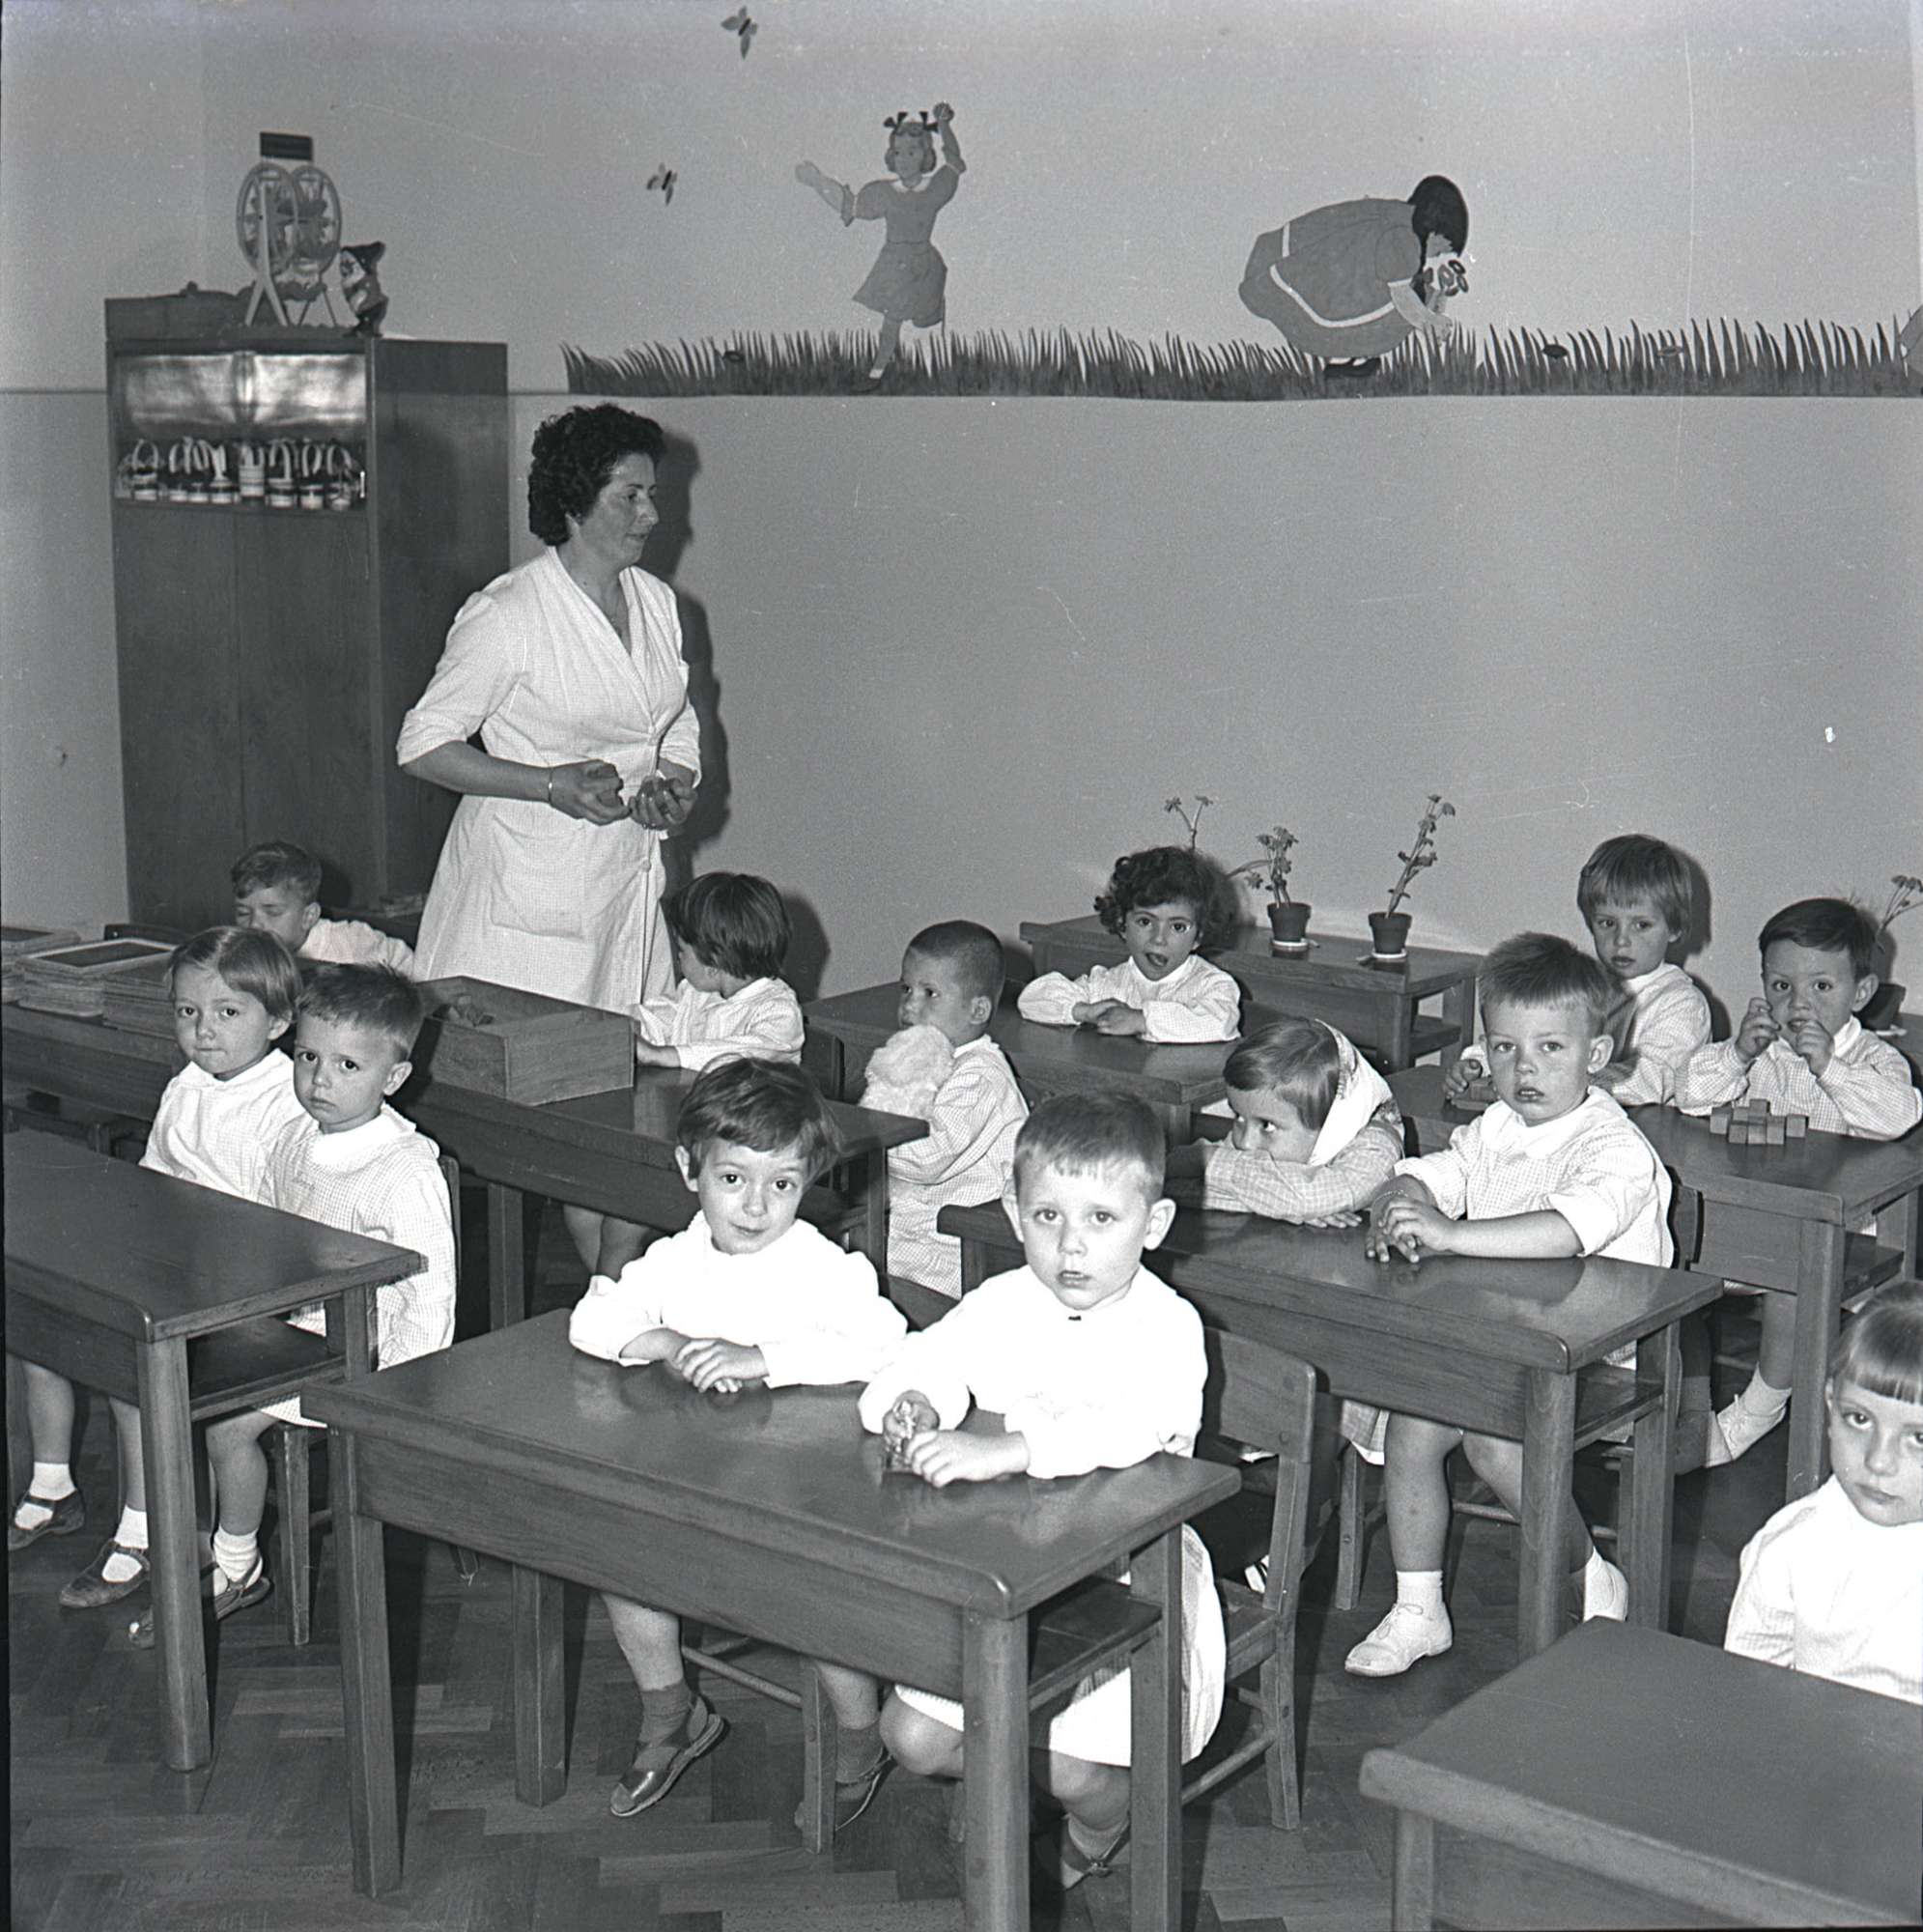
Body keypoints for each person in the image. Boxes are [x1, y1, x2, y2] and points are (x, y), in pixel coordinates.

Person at [859, 1094, 1222, 1892]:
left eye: (1101, 1219)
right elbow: (929, 1358)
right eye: (1047, 1216)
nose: (1070, 1246)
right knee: (911, 1737)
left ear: (1153, 1224)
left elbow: (1138, 1427)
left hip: (1128, 1579)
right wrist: (913, 1400)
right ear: (1012, 1213)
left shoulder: (1166, 1326)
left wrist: (1011, 1450)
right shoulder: (1001, 1302)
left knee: (1069, 1766)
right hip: (1003, 1562)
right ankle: (1009, 1775)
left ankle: (1103, 1822)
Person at [397, 403, 701, 1279]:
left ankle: (613, 1298)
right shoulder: (508, 613)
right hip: (523, 905)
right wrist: (547, 784)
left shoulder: (656, 604)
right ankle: (597, 1297)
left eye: (652, 494)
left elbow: (674, 725)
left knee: (618, 1110)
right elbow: (422, 744)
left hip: (620, 891)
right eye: (630, 495)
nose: (651, 513)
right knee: (554, 1120)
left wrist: (673, 786)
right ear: (575, 501)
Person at [569, 1059, 909, 1824]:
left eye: (781, 1184)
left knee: (805, 1593)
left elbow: (886, 1343)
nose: (756, 1206)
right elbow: (592, 1319)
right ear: (688, 1169)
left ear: (807, 1181)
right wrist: (663, 1341)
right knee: (620, 1556)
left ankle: (861, 1737)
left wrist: (763, 1359)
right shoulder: (674, 1258)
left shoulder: (821, 1267)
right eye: (732, 1179)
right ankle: (671, 1712)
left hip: (801, 1486)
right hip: (700, 1472)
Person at [1346, 933, 1672, 1678]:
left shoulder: (1614, 1147)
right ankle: (1417, 1610)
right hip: (1503, 1337)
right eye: (1503, 1048)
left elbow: (1564, 1233)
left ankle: (1588, 1572)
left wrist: (1450, 1236)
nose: (1523, 1070)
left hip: (1596, 1352)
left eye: (1550, 1048)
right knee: (1412, 1423)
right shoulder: (1496, 1126)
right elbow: (1442, 1170)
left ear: (1595, 1054)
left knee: (1493, 1443)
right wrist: (1403, 1194)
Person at [132, 965, 456, 1643]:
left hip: (369, 1356)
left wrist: (391, 1394)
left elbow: (431, 1304)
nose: (319, 1080)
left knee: (226, 1424)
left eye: (347, 1065)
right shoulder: (294, 1139)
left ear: (394, 1077)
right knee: (177, 1384)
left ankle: (237, 1566)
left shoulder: (405, 1171)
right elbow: (271, 1234)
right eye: (307, 1057)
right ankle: (187, 1543)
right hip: (296, 1329)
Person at [8, 928, 307, 1610]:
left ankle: (143, 1534)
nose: (204, 1031)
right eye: (187, 1012)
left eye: (227, 1012)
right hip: (176, 1269)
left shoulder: (284, 1102)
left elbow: (283, 1225)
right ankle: (54, 1485)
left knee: (131, 1372)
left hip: (251, 1293)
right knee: (43, 1327)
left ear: (279, 1021)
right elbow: (155, 1177)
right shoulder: (187, 1085)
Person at [1674, 898, 1922, 1465]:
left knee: (1791, 1278)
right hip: (1755, 1220)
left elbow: (1898, 1116)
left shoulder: (1875, 1060)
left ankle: (1759, 1409)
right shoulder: (1762, 1055)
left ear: (1860, 993)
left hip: (1844, 1235)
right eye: (1781, 986)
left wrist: (1830, 1067)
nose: (1798, 1005)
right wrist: (1737, 1054)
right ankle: (1683, 1410)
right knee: (1668, 1260)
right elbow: (1689, 1095)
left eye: (1821, 988)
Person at [1166, 1017, 1405, 1553]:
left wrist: (1210, 1164)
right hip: (1274, 1297)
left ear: (1331, 1123)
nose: (1245, 1142)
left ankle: (1293, 1549)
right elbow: (1168, 1185)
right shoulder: (1271, 1134)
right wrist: (1271, 1196)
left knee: (1309, 1419)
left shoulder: (1376, 1138)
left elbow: (1307, 1197)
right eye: (1237, 1120)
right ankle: (1213, 1530)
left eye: (1266, 1127)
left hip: (1347, 1334)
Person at [1723, 1280, 1923, 1705]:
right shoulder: (1793, 1546)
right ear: (1831, 1405)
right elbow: (1749, 1692)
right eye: (1859, 1419)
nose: (1879, 1461)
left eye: (1919, 1438)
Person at [1447, 833, 1710, 1108]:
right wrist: (1478, 1065)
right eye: (1607, 923)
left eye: (1641, 925)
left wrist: (1563, 1080)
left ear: (1674, 928)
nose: (1621, 940)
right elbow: (1528, 1035)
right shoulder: (1580, 986)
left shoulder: (1683, 1004)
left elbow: (1649, 1081)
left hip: (1648, 1126)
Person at [868, 921, 1028, 1299]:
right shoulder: (923, 1058)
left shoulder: (981, 1076)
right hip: (910, 1233)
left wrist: (868, 1134)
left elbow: (927, 1158)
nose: (910, 1006)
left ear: (977, 1010)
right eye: (906, 989)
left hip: (959, 1248)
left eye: (930, 993)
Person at [797, 103, 966, 383]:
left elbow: (954, 163)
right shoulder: (884, 193)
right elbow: (850, 206)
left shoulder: (935, 189)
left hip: (926, 264)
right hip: (895, 264)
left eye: (912, 152)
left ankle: (934, 372)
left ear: (926, 154)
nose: (904, 160)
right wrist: (818, 181)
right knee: (893, 318)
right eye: (898, 152)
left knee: (927, 320)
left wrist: (944, 125)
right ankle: (877, 373)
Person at [1238, 175, 1469, 374]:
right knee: (1406, 308)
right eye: (1441, 249)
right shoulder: (1404, 240)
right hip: (1310, 318)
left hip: (1276, 276)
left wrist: (1434, 298)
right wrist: (1430, 321)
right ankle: (1350, 357)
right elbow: (1402, 297)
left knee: (1414, 294)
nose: (1436, 255)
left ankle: (1350, 360)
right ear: (1435, 229)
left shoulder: (1393, 215)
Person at [1018, 846, 1240, 1041]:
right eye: (1145, 922)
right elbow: (1032, 999)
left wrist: (1141, 1020)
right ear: (1122, 925)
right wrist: (1083, 1011)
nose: (1159, 938)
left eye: (1178, 927)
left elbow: (1220, 1023)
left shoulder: (1212, 985)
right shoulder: (1108, 983)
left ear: (1198, 937)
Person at [630, 872, 804, 1069]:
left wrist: (666, 1055)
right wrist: (620, 1026)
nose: (678, 957)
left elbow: (744, 1055)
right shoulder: (694, 993)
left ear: (712, 965)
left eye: (682, 950)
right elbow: (657, 1019)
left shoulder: (779, 1011)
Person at [231, 838, 416, 975]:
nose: (254, 924)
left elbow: (416, 971)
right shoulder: (241, 952)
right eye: (243, 913)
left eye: (272, 912)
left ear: (309, 916)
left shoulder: (351, 944)